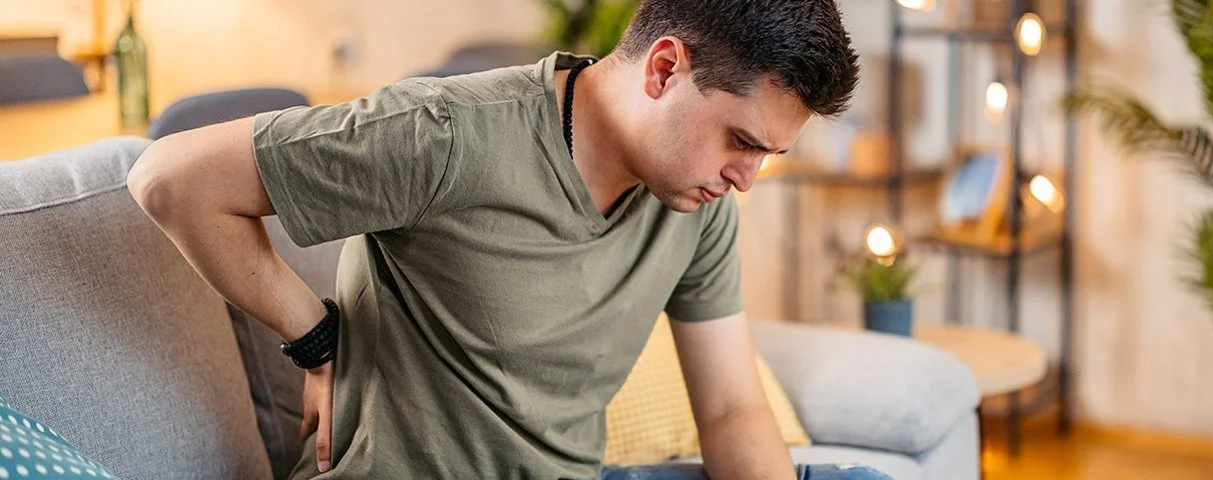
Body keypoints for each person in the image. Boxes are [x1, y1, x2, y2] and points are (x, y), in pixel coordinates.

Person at [126, 0, 880, 478]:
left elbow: (731, 412)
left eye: (767, 156)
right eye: (740, 141)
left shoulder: (696, 205)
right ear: (662, 69)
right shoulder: (446, 136)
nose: (747, 178)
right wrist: (317, 342)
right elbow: (170, 180)